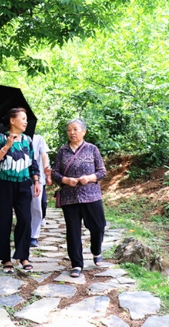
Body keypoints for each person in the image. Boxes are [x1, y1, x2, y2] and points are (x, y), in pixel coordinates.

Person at [50, 118, 107, 277]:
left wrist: (89, 178)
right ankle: (76, 264)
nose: (72, 132)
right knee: (73, 231)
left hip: (92, 196)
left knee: (98, 226)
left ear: (84, 131)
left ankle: (96, 250)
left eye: (75, 129)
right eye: (69, 130)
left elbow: (102, 171)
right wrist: (65, 180)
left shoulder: (92, 149)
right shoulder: (62, 151)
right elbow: (55, 172)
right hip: (70, 197)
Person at [0, 107, 41, 273]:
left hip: (23, 184)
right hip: (2, 183)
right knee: (2, 221)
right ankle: (5, 259)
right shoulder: (0, 138)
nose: (25, 121)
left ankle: (23, 256)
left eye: (26, 119)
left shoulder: (28, 140)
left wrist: (36, 181)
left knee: (25, 219)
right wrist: (7, 145)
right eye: (22, 118)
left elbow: (32, 162)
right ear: (12, 120)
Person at [30, 134, 52, 247]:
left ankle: (34, 236)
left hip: (38, 178)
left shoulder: (38, 138)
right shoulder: (14, 138)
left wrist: (46, 171)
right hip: (20, 178)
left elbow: (44, 155)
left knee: (37, 206)